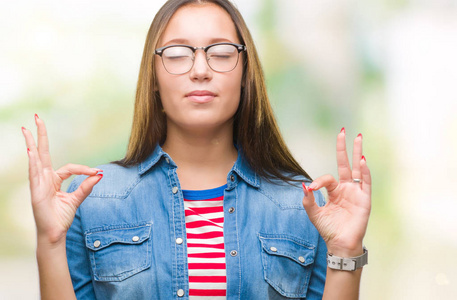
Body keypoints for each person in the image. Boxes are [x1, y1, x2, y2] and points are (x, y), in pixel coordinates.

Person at [21, 0, 372, 299]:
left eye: (220, 53)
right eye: (177, 54)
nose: (201, 70)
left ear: (245, 74)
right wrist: (50, 241)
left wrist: (345, 251)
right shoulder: (95, 199)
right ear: (154, 78)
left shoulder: (301, 204)